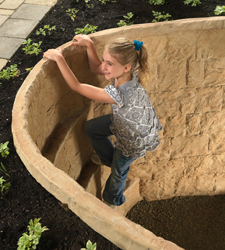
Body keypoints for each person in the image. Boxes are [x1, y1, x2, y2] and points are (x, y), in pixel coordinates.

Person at [43, 34, 162, 207]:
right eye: (105, 60)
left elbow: (76, 86)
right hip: (126, 120)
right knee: (92, 128)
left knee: (119, 170)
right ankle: (107, 158)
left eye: (109, 64)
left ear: (126, 67)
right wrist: (90, 45)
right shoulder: (129, 72)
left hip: (135, 139)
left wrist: (59, 58)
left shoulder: (119, 94)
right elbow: (96, 68)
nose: (104, 67)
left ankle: (112, 199)